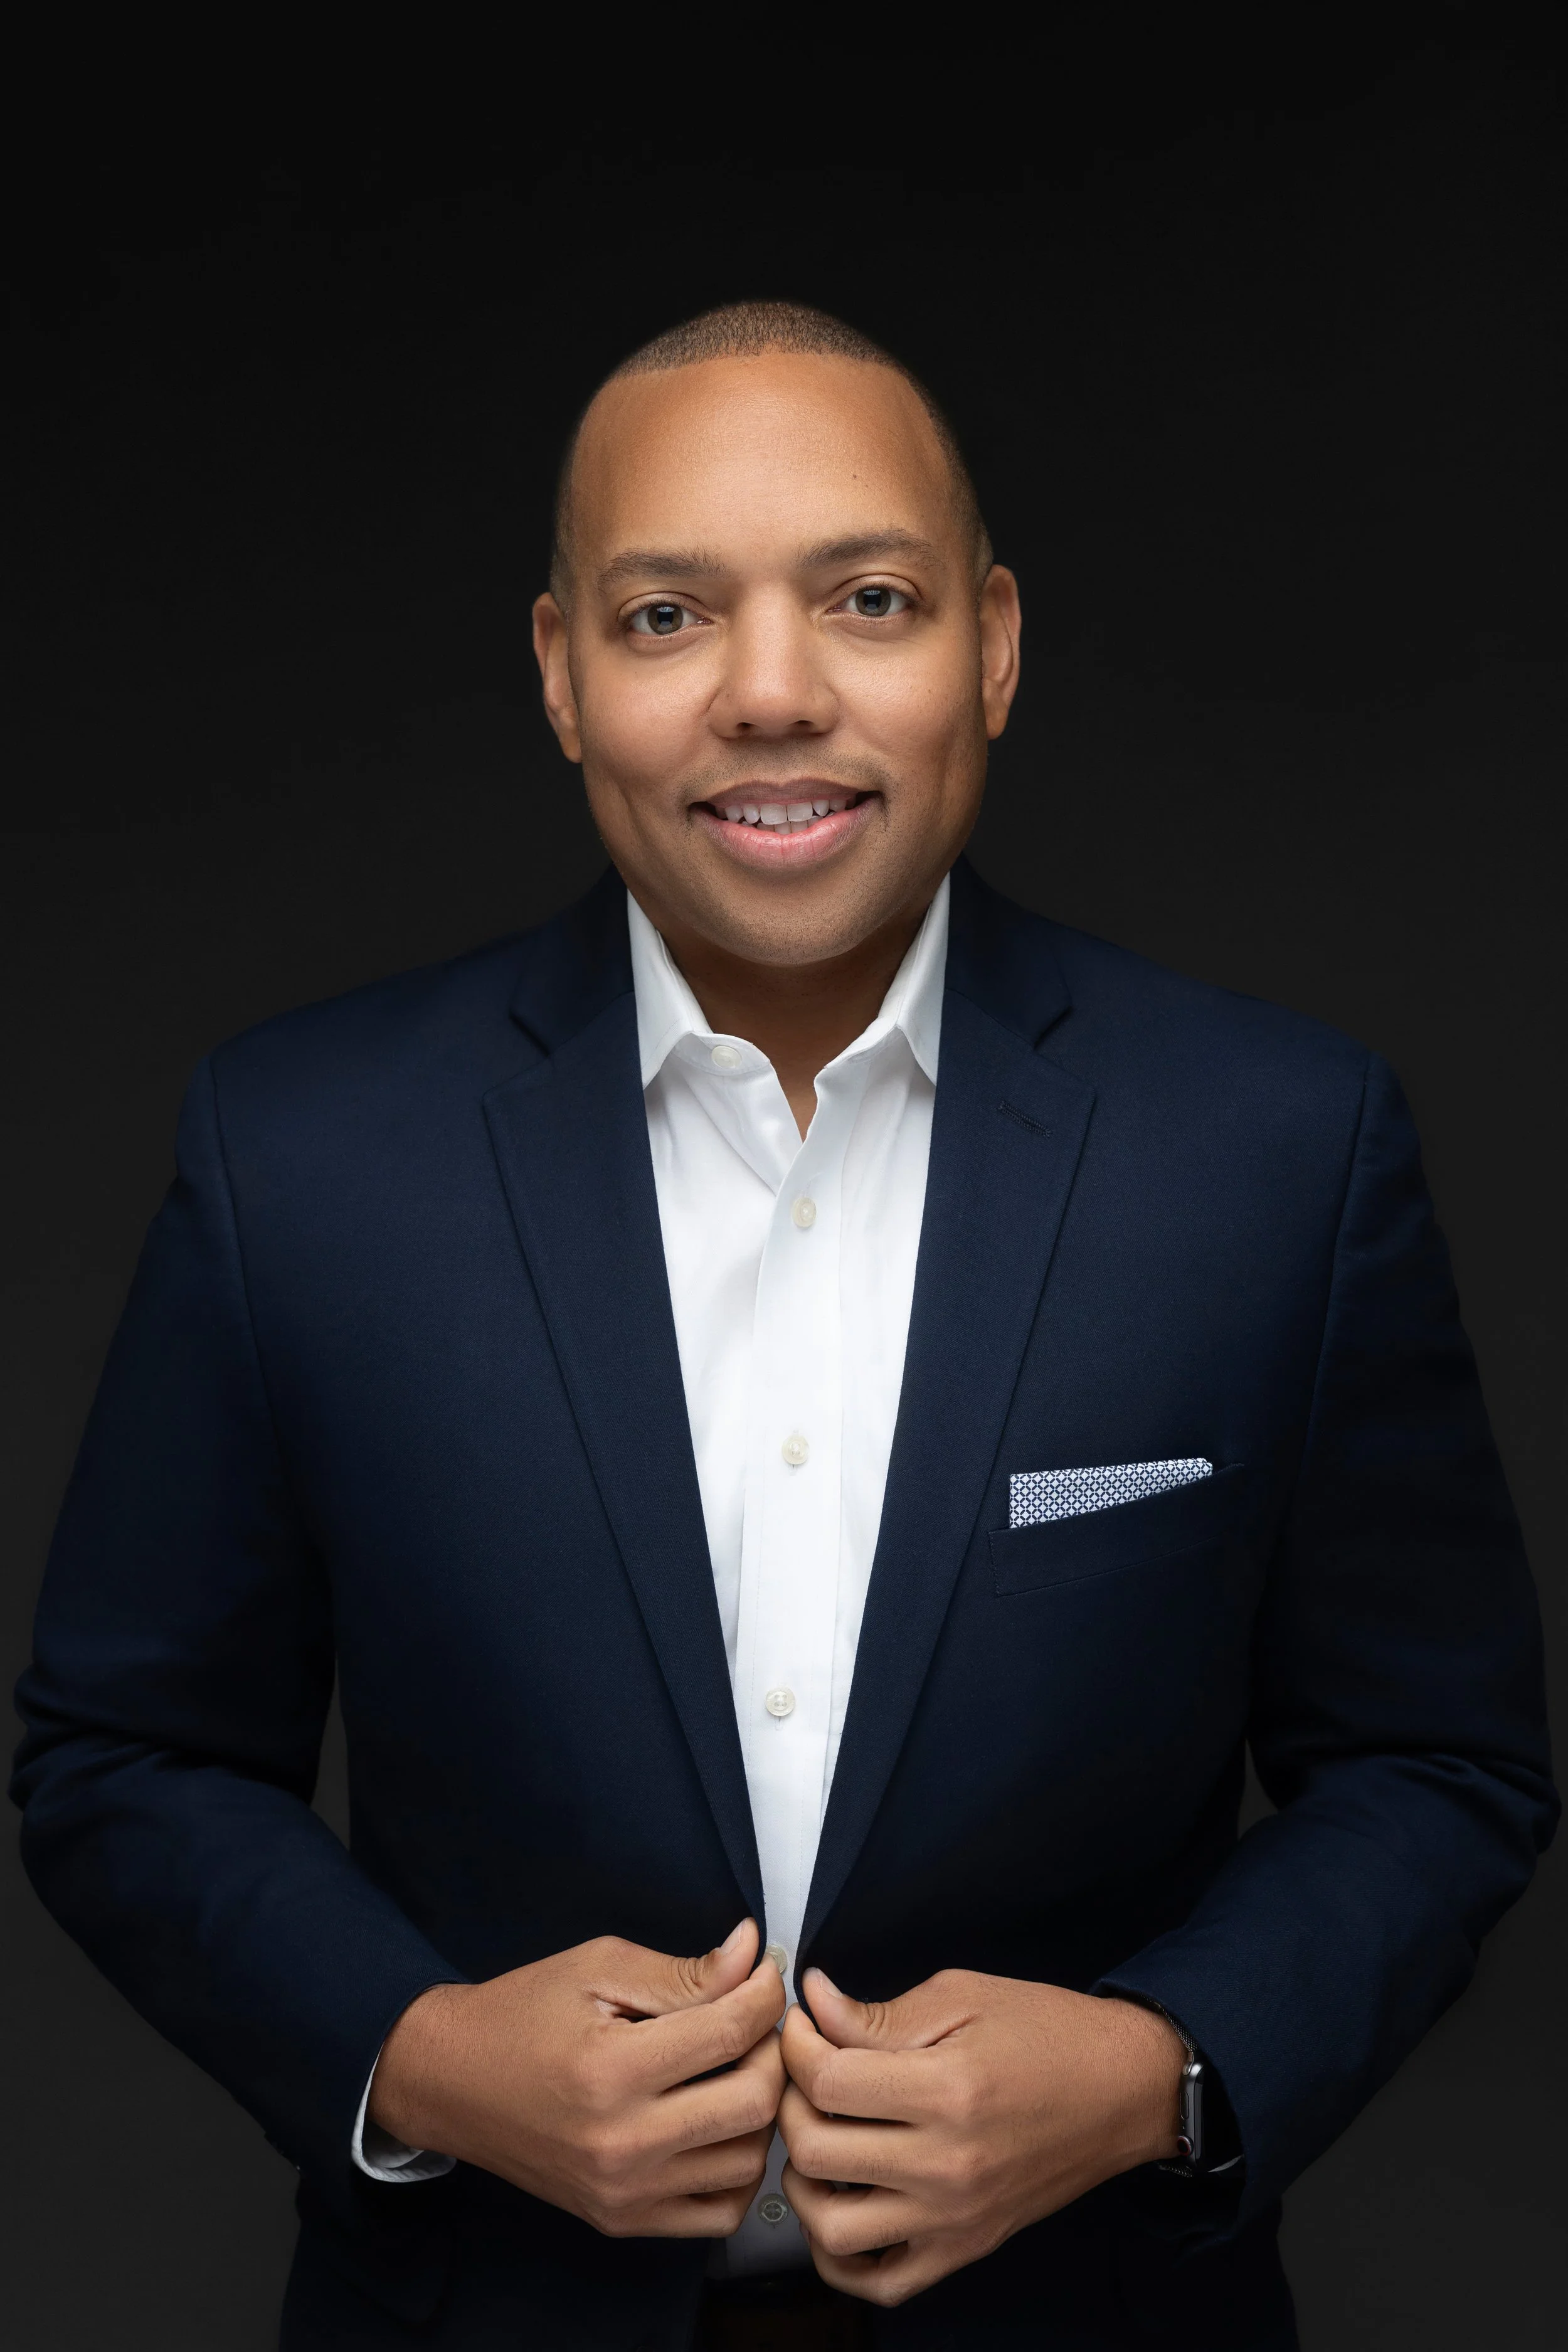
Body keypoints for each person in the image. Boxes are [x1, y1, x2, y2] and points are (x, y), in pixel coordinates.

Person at [12, 302, 1555, 2352]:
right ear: (562, 675)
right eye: (665, 616)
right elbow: (120, 1753)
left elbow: (1434, 1759)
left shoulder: (1275, 1147)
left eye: (870, 597)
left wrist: (1159, 2064)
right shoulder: (304, 1152)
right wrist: (420, 2052)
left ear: (989, 645)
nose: (769, 691)